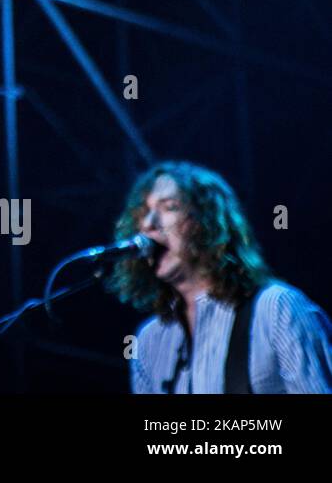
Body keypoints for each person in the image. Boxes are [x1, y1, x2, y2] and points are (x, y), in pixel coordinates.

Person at [107, 161, 332, 393]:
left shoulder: (276, 309)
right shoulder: (148, 342)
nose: (148, 224)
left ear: (208, 223)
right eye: (143, 213)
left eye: (169, 207)